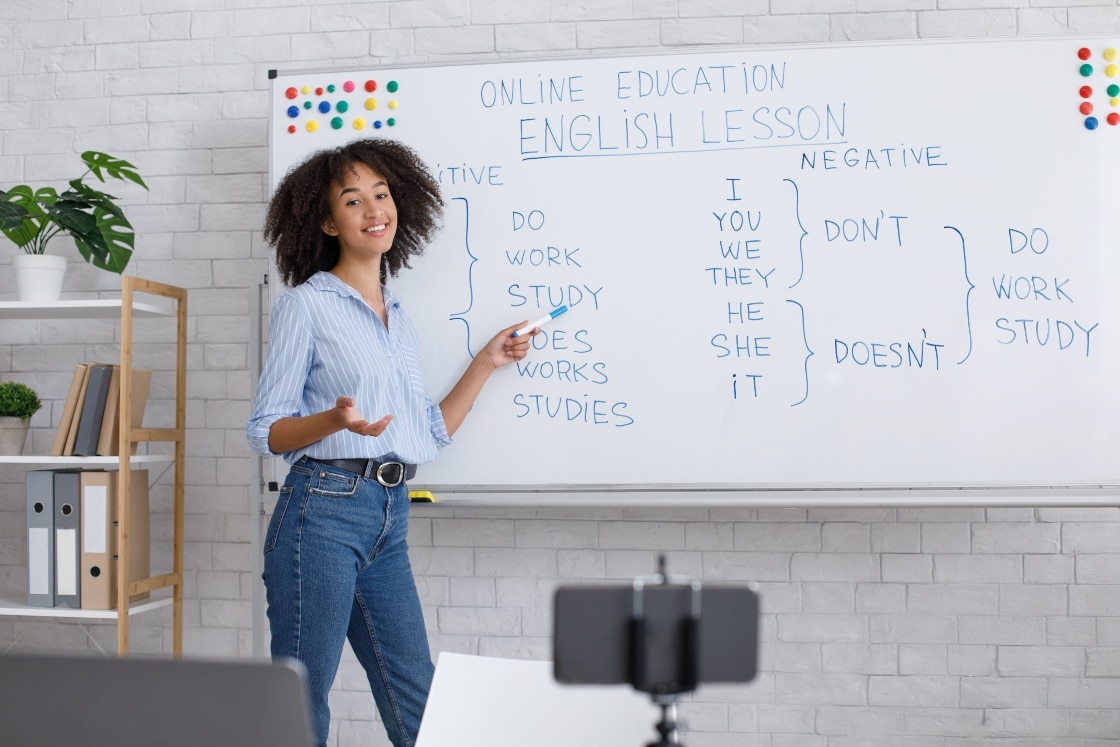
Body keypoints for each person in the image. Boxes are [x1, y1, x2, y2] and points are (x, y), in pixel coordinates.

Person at [246, 139, 534, 747]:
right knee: (301, 697)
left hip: (387, 517)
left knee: (417, 694)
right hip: (319, 513)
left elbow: (426, 431)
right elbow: (268, 432)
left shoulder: (397, 316)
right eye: (354, 201)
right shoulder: (306, 306)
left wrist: (486, 360)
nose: (374, 209)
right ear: (328, 222)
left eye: (381, 194)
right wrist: (334, 421)